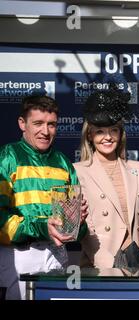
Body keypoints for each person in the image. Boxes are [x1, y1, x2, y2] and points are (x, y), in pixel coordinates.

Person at [0, 95, 88, 300]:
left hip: (57, 257)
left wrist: (77, 224)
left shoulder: (63, 163)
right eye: (38, 123)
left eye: (51, 125)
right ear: (22, 123)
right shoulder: (7, 157)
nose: (45, 131)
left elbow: (73, 230)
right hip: (18, 256)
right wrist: (42, 228)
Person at [74, 86, 139, 268]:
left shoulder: (138, 169)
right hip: (99, 263)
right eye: (100, 131)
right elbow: (83, 227)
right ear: (90, 135)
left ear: (120, 133)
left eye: (113, 130)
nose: (107, 137)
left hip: (136, 263)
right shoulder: (78, 171)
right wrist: (105, 263)